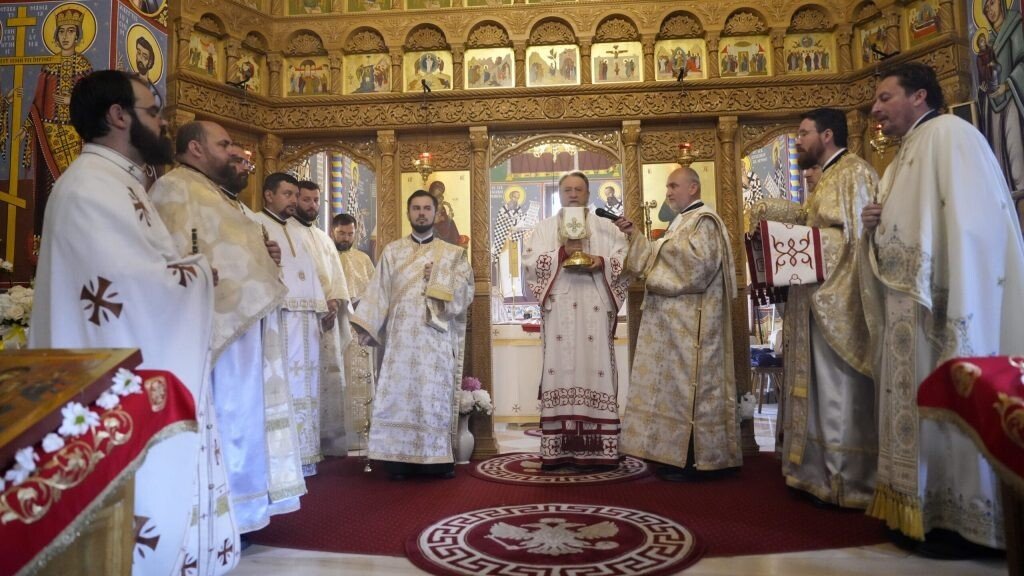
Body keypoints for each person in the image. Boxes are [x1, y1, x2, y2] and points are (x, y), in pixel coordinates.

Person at [27, 70, 227, 574]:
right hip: (107, 385)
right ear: (119, 116)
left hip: (118, 372)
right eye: (152, 112)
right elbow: (128, 287)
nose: (162, 124)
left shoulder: (118, 181)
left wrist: (186, 271)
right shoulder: (91, 187)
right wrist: (199, 274)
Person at [861, 62, 1024, 555]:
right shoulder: (904, 154)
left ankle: (963, 523)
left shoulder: (951, 135)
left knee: (954, 409)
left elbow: (974, 229)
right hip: (910, 309)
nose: (875, 109)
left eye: (885, 97)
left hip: (946, 307)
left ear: (919, 96)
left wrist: (955, 293)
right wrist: (874, 225)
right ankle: (922, 510)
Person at [150, 121, 306, 534]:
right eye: (224, 144)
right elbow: (171, 259)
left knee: (244, 418)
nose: (233, 151)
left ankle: (243, 509)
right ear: (196, 148)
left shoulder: (219, 194)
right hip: (215, 330)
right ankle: (223, 514)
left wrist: (266, 254)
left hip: (244, 328)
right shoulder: (173, 190)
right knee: (227, 417)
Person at [765, 108, 878, 508]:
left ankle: (846, 480)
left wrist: (799, 247)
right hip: (814, 298)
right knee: (816, 389)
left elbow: (855, 241)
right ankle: (816, 474)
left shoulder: (853, 174)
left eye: (803, 133)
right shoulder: (829, 178)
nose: (797, 141)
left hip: (839, 301)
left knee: (836, 390)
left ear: (827, 135)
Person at [616, 166, 742, 480]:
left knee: (693, 391)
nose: (668, 192)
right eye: (668, 187)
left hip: (696, 329)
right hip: (678, 328)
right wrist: (636, 235)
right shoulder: (682, 222)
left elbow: (697, 267)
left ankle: (698, 461)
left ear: (693, 188)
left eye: (674, 186)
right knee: (676, 391)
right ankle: (676, 455)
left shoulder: (704, 221)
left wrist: (657, 250)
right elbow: (658, 257)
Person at [351, 190, 474, 480]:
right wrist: (367, 325)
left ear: (436, 213)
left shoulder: (453, 254)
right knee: (399, 398)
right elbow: (379, 290)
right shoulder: (392, 251)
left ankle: (436, 460)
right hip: (400, 343)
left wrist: (439, 277)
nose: (421, 213)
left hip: (435, 341)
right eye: (416, 208)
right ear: (408, 213)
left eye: (426, 208)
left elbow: (465, 293)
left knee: (432, 396)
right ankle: (397, 460)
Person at [522, 171, 630, 469]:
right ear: (559, 194)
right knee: (560, 369)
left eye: (578, 189)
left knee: (596, 369)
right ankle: (557, 450)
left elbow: (625, 259)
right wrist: (561, 254)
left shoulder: (607, 228)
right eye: (567, 189)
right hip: (559, 312)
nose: (572, 194)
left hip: (594, 306)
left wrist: (600, 262)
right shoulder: (544, 229)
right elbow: (529, 263)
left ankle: (600, 449)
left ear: (588, 194)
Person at [253, 173, 330, 476]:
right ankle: (281, 457)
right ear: (269, 195)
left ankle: (306, 454)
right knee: (282, 383)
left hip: (306, 323)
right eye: (287, 194)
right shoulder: (255, 223)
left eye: (295, 195)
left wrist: (321, 307)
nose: (294, 201)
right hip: (279, 319)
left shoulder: (297, 232)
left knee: (306, 387)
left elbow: (310, 273)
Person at [295, 180, 352, 457]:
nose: (312, 205)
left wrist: (335, 303)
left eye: (316, 200)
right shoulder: (288, 232)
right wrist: (320, 305)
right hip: (303, 322)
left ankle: (329, 444)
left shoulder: (323, 238)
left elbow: (337, 277)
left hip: (329, 321)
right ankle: (304, 444)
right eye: (306, 199)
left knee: (330, 377)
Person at [24, 7, 93, 224]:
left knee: (74, 182)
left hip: (75, 135)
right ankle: (46, 230)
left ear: (78, 35)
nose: (65, 36)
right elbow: (37, 102)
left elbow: (92, 100)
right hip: (49, 135)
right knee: (48, 181)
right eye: (61, 31)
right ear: (55, 35)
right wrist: (27, 126)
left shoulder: (84, 67)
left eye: (70, 31)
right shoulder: (49, 66)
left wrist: (73, 101)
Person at [332, 213, 377, 450]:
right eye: (341, 233)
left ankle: (361, 435)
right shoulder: (327, 256)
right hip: (333, 329)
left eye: (350, 234)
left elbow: (375, 292)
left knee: (360, 380)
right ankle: (336, 437)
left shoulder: (363, 259)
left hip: (359, 329)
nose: (346, 238)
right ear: (333, 231)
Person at [978, 0, 1024, 210]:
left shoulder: (1015, 27)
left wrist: (1007, 85)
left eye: (992, 3)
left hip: (1012, 97)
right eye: (986, 8)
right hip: (993, 104)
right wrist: (985, 87)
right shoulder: (988, 43)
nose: (990, 10)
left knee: (1015, 149)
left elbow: (1022, 62)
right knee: (998, 155)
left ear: (1003, 4)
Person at [427, 180, 461, 245]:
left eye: (441, 195)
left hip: (442, 225)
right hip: (433, 226)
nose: (440, 198)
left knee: (451, 222)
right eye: (437, 195)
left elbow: (444, 215)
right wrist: (439, 218)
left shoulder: (442, 206)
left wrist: (448, 217)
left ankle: (455, 241)